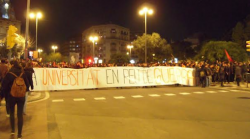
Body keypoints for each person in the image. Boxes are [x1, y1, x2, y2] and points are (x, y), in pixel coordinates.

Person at [1, 60, 29, 139]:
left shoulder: (9, 74)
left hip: (11, 96)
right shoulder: (22, 73)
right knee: (20, 115)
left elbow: (4, 85)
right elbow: (27, 84)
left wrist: (6, 94)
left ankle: (13, 130)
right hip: (21, 96)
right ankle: (19, 134)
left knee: (12, 113)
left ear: (12, 65)